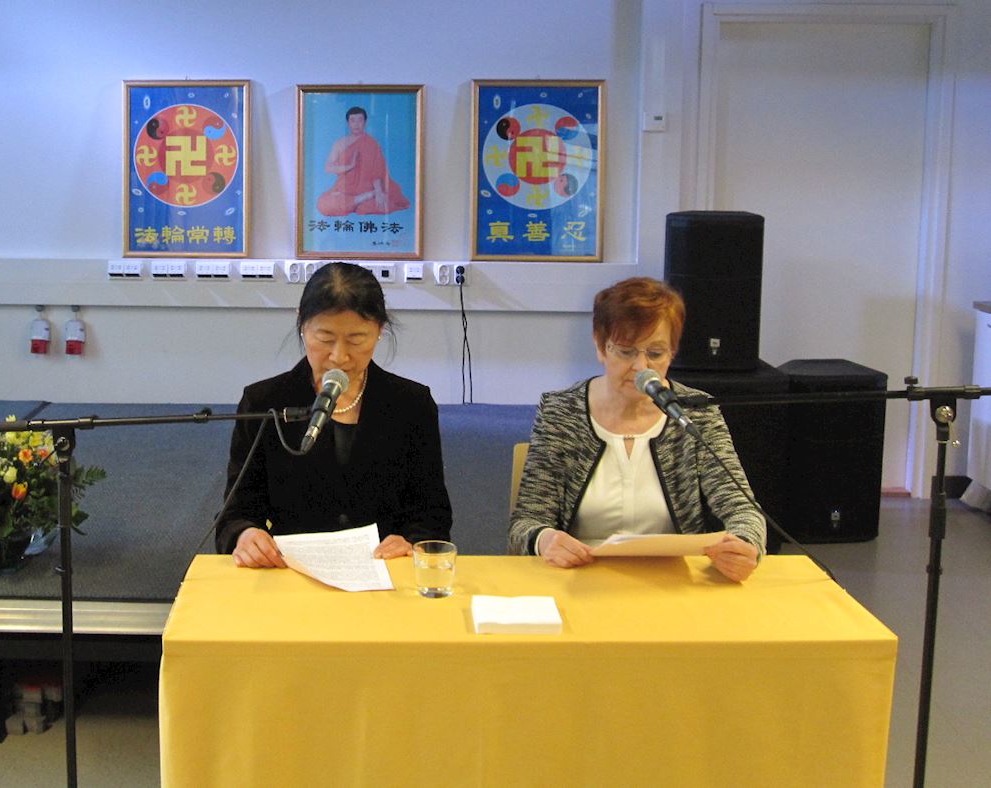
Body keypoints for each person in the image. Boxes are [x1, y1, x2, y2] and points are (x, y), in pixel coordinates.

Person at [508, 276, 765, 582]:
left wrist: (745, 545)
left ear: (672, 352)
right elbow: (525, 523)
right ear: (601, 347)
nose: (641, 367)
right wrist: (544, 539)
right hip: (578, 577)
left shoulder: (696, 411)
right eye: (626, 352)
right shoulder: (562, 410)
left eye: (655, 353)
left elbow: (743, 510)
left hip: (674, 583)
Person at [217, 261, 452, 567]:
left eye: (357, 339)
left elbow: (432, 512)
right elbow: (236, 512)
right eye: (325, 338)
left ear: (379, 330)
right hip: (292, 570)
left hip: (384, 571)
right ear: (302, 324)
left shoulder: (411, 404)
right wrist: (245, 535)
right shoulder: (265, 402)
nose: (339, 356)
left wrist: (411, 541)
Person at [315, 106, 411, 217]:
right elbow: (329, 167)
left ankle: (359, 200)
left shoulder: (372, 143)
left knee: (374, 206)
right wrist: (349, 166)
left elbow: (377, 171)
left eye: (360, 120)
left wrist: (378, 192)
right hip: (345, 189)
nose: (356, 124)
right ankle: (363, 198)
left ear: (365, 122)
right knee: (323, 204)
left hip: (366, 187)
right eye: (353, 120)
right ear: (348, 123)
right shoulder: (340, 144)